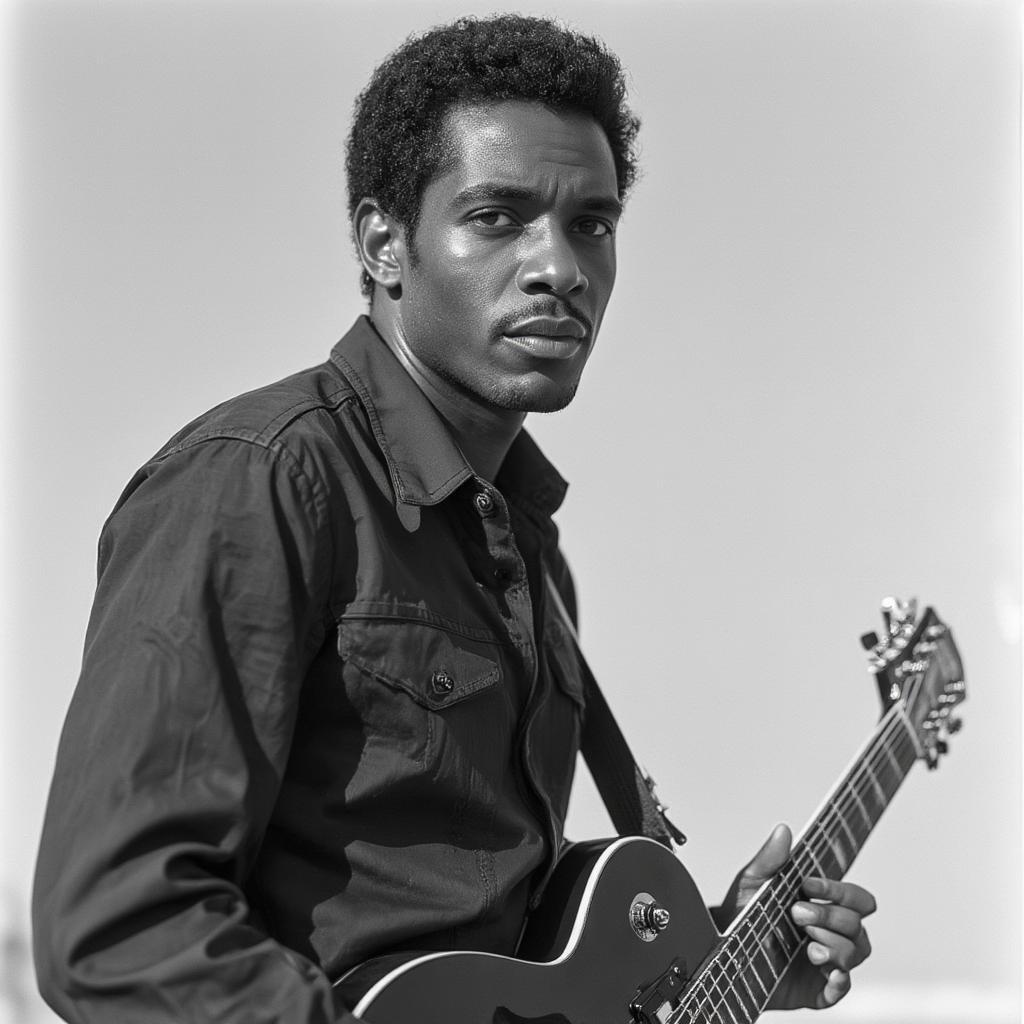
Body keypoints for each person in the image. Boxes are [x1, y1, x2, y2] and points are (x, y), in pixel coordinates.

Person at [32, 15, 875, 1024]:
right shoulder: (256, 483)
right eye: (497, 216)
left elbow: (499, 938)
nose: (558, 265)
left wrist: (705, 963)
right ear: (384, 244)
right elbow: (121, 928)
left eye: (591, 224)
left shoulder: (532, 552)